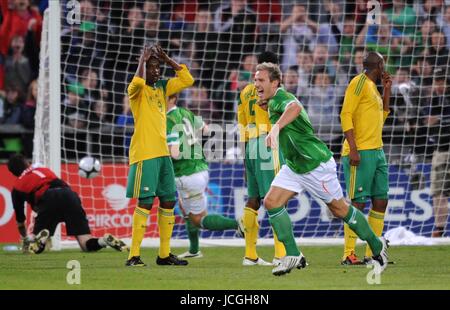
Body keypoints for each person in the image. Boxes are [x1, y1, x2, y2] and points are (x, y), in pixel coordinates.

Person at [253, 62, 389, 276]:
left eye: (261, 80)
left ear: (275, 82)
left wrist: (275, 129)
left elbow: (295, 108)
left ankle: (377, 245)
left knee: (340, 210)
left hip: (316, 165)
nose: (256, 84)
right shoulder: (272, 102)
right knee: (271, 202)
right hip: (296, 165)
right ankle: (293, 254)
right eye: (255, 80)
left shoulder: (282, 98)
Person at [125, 45, 194, 267]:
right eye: (151, 67)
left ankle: (164, 254)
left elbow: (187, 79)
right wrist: (142, 62)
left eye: (157, 67)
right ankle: (133, 255)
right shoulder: (138, 90)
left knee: (168, 200)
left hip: (163, 154)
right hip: (145, 154)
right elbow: (135, 83)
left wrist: (167, 59)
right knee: (145, 201)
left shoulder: (163, 88)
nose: (156, 71)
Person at [165, 94, 243, 259]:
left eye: (160, 97)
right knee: (186, 212)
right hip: (199, 167)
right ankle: (194, 250)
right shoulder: (185, 113)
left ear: (171, 98)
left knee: (199, 220)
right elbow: (206, 130)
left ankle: (239, 224)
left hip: (186, 173)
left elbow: (175, 154)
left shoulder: (167, 120)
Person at [7, 154, 127, 254]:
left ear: (13, 173)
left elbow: (20, 222)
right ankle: (103, 241)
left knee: (35, 248)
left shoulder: (17, 188)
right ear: (27, 163)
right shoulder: (41, 169)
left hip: (47, 199)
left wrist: (25, 238)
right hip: (69, 195)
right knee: (86, 244)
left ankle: (38, 239)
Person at [340, 51, 392, 265]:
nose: (385, 68)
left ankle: (373, 252)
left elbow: (382, 117)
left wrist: (387, 91)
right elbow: (345, 114)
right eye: (384, 64)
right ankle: (348, 254)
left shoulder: (374, 88)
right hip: (360, 151)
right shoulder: (358, 82)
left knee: (381, 200)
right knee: (358, 204)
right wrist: (353, 148)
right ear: (378, 65)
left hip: (377, 150)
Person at [237, 51, 286, 267]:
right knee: (276, 197)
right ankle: (280, 254)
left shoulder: (246, 91)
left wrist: (245, 153)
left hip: (251, 145)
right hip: (268, 143)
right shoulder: (273, 90)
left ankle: (250, 255)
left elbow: (242, 123)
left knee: (253, 199)